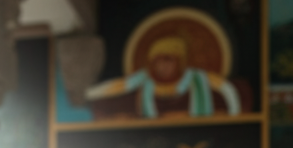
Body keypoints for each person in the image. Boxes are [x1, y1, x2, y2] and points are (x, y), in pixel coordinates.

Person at [85, 36, 241, 119]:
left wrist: (235, 117)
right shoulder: (146, 79)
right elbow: (121, 85)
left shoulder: (197, 77)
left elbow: (227, 89)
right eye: (158, 61)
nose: (163, 66)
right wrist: (89, 93)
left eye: (168, 60)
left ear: (179, 61)